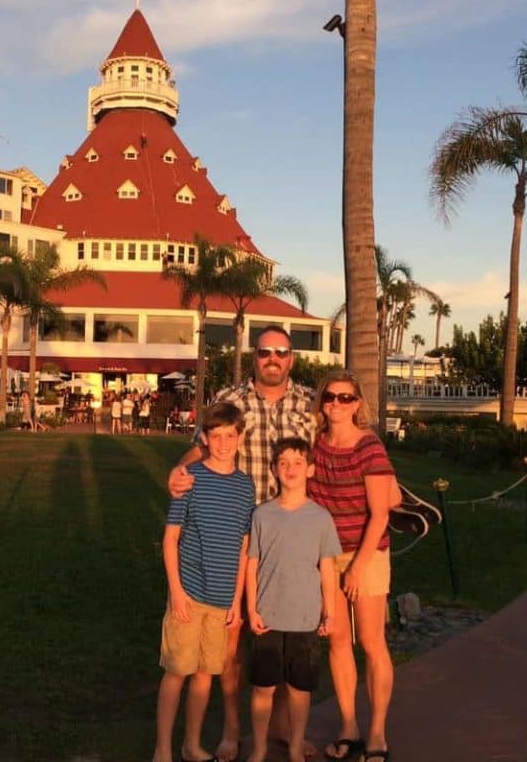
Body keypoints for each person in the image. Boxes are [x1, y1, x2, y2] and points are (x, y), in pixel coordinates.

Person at [168, 325, 317, 762]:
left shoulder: (309, 404)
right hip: (237, 534)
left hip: (289, 538)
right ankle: (232, 731)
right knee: (232, 639)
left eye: (282, 352)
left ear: (292, 358)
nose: (273, 358)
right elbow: (200, 448)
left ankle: (286, 729)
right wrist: (178, 472)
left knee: (288, 635)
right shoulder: (230, 401)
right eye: (265, 351)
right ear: (255, 356)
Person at [153, 402, 255, 762]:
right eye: (216, 436)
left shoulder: (246, 487)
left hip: (222, 599)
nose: (224, 442)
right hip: (190, 593)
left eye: (230, 435)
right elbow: (170, 540)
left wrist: (236, 601)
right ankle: (163, 749)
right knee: (176, 671)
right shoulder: (191, 478)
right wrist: (176, 593)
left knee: (204, 676)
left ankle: (191, 744)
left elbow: (244, 547)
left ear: (240, 438)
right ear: (206, 439)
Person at [308, 370, 395, 762]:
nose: (337, 404)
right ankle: (349, 726)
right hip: (328, 556)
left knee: (372, 644)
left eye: (345, 398)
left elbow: (380, 515)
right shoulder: (315, 445)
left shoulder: (370, 447)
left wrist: (357, 568)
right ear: (321, 402)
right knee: (338, 642)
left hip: (368, 553)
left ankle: (377, 733)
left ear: (357, 404)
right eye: (330, 397)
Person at [246, 437, 341, 762]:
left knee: (300, 690)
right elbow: (251, 564)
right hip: (268, 617)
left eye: (298, 462)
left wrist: (330, 612)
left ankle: (296, 745)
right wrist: (250, 608)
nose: (290, 469)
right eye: (283, 462)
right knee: (263, 688)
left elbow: (327, 569)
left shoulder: (321, 518)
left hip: (305, 619)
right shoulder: (262, 515)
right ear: (274, 469)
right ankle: (259, 748)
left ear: (310, 469)